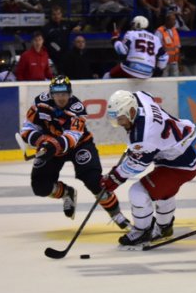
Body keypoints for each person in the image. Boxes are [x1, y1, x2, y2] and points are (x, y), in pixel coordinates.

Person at [102, 90, 196, 249]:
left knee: (138, 192)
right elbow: (144, 93)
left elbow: (136, 165)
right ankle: (164, 228)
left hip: (181, 161)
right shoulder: (139, 98)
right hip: (185, 146)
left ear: (131, 112)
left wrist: (113, 179)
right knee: (163, 191)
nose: (119, 123)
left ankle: (142, 231)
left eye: (121, 119)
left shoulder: (143, 137)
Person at [20, 76, 128, 227]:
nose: (61, 97)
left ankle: (117, 215)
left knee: (94, 181)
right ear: (51, 94)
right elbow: (27, 129)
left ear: (69, 93)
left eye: (64, 94)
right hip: (50, 146)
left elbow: (72, 137)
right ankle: (66, 192)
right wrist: (41, 140)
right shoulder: (39, 103)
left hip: (79, 146)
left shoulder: (77, 109)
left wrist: (52, 144)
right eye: (57, 94)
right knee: (40, 187)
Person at [156, 10, 183, 77]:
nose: (175, 22)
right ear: (167, 21)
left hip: (174, 62)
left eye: (175, 20)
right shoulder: (159, 31)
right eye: (173, 20)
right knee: (164, 80)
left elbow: (178, 48)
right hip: (164, 63)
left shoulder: (174, 30)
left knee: (175, 81)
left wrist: (180, 63)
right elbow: (156, 48)